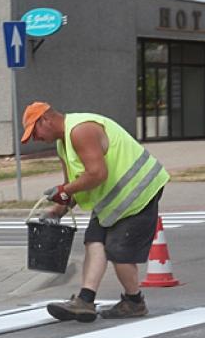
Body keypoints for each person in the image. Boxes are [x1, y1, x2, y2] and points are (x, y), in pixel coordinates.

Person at [21, 102, 170, 322]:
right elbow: (74, 184)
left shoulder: (81, 131)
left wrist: (64, 190)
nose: (36, 139)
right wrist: (57, 210)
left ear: (46, 120)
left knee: (119, 250)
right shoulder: (63, 144)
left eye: (35, 132)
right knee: (94, 241)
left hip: (138, 190)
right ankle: (85, 300)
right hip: (112, 199)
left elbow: (97, 173)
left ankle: (134, 302)